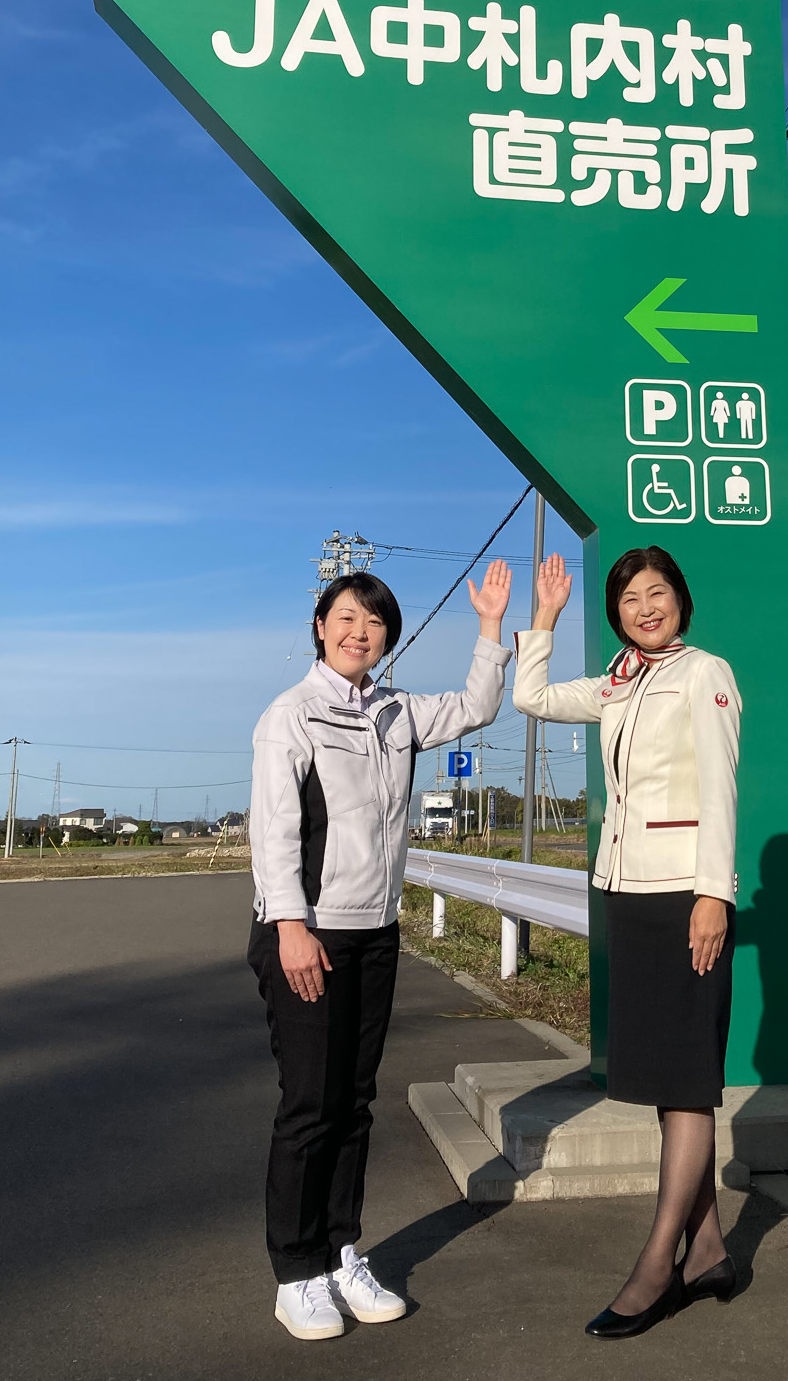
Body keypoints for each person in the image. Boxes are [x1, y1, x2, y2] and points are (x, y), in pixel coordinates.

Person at [248, 560, 512, 1341]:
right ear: (321, 627)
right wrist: (291, 928)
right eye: (348, 619)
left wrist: (491, 625)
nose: (361, 632)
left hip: (374, 932)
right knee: (310, 1107)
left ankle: (339, 1253)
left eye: (375, 623)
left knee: (355, 1104)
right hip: (307, 932)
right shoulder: (291, 714)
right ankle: (295, 1273)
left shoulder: (395, 710)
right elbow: (274, 832)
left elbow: (475, 707)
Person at [513, 545, 740, 1339]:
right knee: (663, 1080)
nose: (645, 607)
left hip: (685, 898)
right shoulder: (619, 680)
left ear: (681, 597)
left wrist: (714, 893)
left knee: (686, 1085)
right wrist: (542, 616)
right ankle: (709, 1245)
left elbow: (722, 787)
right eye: (629, 599)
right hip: (629, 895)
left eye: (658, 593)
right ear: (614, 614)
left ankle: (657, 1268)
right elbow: (531, 695)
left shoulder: (703, 672)